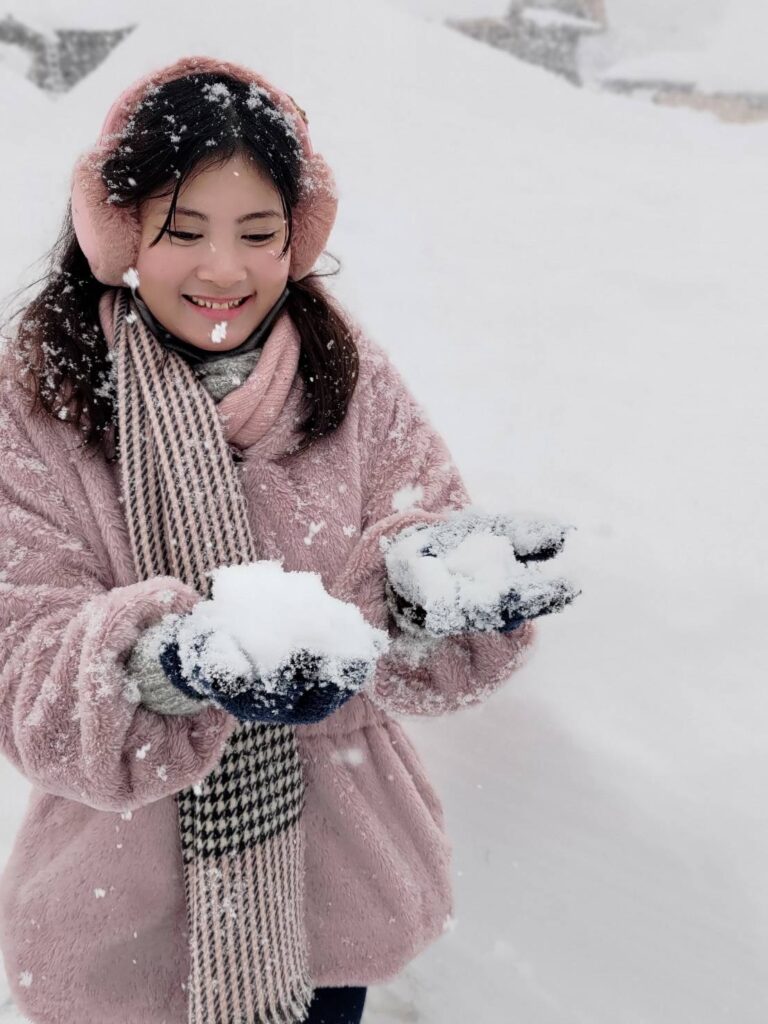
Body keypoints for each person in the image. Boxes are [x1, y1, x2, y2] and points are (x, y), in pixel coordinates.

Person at [0, 56, 577, 1024]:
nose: (224, 269)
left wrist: (423, 599)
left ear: (296, 243)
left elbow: (416, 545)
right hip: (119, 918)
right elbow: (23, 667)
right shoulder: (38, 409)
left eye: (259, 234)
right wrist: (169, 664)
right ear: (117, 230)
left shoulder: (350, 381)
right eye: (183, 231)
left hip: (329, 897)